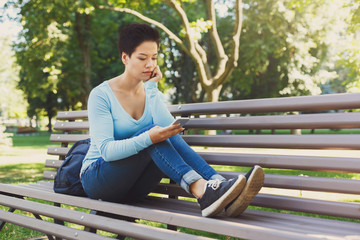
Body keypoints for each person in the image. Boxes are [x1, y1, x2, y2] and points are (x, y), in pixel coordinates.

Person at [80, 22, 264, 218]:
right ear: (125, 57)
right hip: (98, 179)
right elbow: (107, 152)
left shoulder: (151, 91)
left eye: (154, 58)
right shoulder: (101, 95)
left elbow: (170, 130)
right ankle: (203, 190)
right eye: (142, 58)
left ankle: (219, 186)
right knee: (152, 136)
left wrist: (151, 89)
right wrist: (149, 137)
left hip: (134, 186)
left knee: (163, 134)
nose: (150, 64)